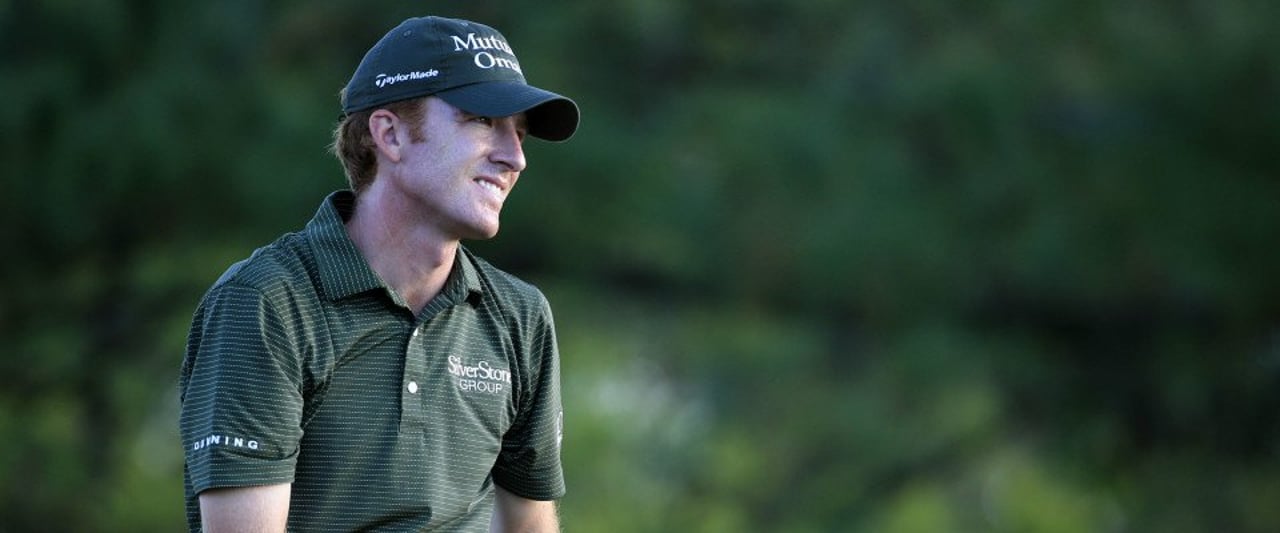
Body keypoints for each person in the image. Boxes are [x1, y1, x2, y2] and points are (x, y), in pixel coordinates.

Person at [178, 15, 578, 532]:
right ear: (389, 134)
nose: (515, 157)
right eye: (482, 120)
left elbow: (529, 525)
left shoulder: (520, 317)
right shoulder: (266, 303)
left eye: (519, 134)